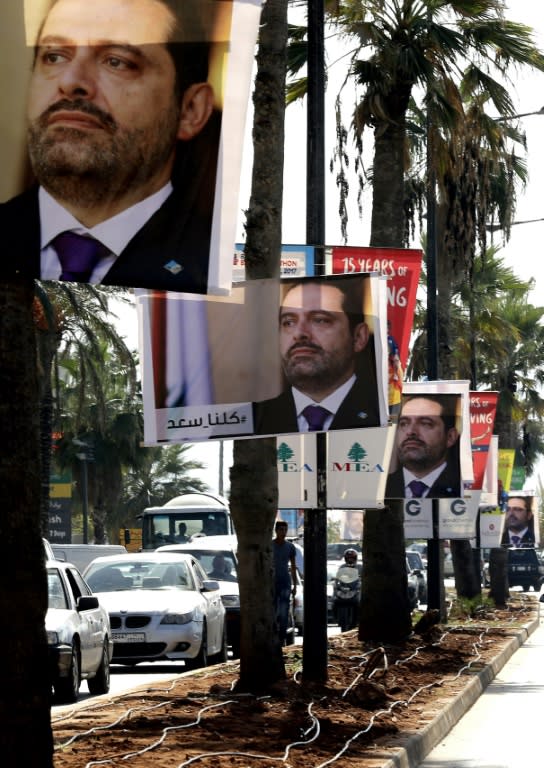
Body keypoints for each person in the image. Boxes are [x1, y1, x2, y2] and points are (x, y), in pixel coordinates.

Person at [1, 0, 220, 292]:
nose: (70, 81)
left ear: (190, 110)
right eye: (54, 57)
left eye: (117, 61)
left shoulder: (217, 268)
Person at [253, 276, 381, 434]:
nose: (299, 333)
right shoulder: (251, 420)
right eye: (288, 322)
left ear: (358, 337)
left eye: (319, 320)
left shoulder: (385, 415)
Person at [385, 394, 461, 498]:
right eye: (404, 423)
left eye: (425, 423)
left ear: (450, 437)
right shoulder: (380, 488)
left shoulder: (463, 489)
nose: (411, 431)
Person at [272, 520, 297, 645]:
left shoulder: (290, 547)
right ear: (276, 530)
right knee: (273, 611)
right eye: (281, 530)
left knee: (283, 611)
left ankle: (281, 639)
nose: (283, 532)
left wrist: (295, 585)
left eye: (285, 530)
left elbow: (293, 566)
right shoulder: (270, 545)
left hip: (285, 582)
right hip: (272, 583)